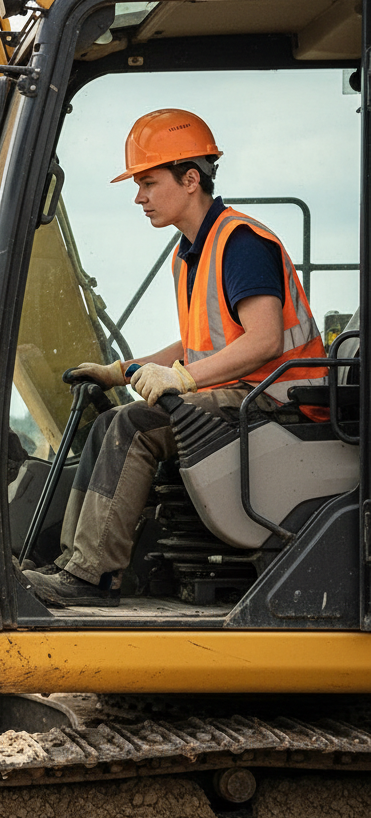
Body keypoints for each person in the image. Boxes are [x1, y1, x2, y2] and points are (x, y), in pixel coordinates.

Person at [22, 108, 328, 608]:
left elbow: (264, 340)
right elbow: (196, 342)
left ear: (190, 179)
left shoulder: (241, 243)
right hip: (239, 397)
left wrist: (181, 380)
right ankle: (72, 565)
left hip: (277, 401)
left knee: (135, 427)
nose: (139, 197)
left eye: (147, 182)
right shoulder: (189, 252)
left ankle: (93, 578)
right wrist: (121, 370)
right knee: (110, 422)